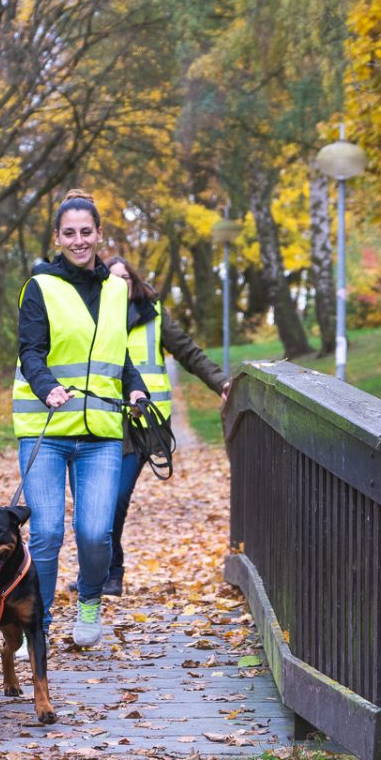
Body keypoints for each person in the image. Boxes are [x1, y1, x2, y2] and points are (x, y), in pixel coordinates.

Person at [13, 191, 149, 649]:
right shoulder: (40, 286)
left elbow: (118, 351)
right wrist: (46, 385)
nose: (78, 240)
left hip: (102, 434)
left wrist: (135, 387)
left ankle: (90, 600)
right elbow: (29, 350)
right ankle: (41, 624)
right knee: (47, 533)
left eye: (85, 232)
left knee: (95, 533)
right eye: (68, 233)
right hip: (45, 430)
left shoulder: (116, 288)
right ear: (58, 237)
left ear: (99, 235)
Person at [101, 254, 230, 595]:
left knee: (115, 499)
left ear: (134, 281)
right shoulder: (93, 316)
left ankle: (113, 574)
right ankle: (98, 574)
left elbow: (189, 352)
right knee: (97, 503)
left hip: (143, 426)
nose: (119, 286)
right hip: (101, 422)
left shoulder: (154, 315)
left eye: (124, 279)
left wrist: (220, 382)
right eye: (111, 280)